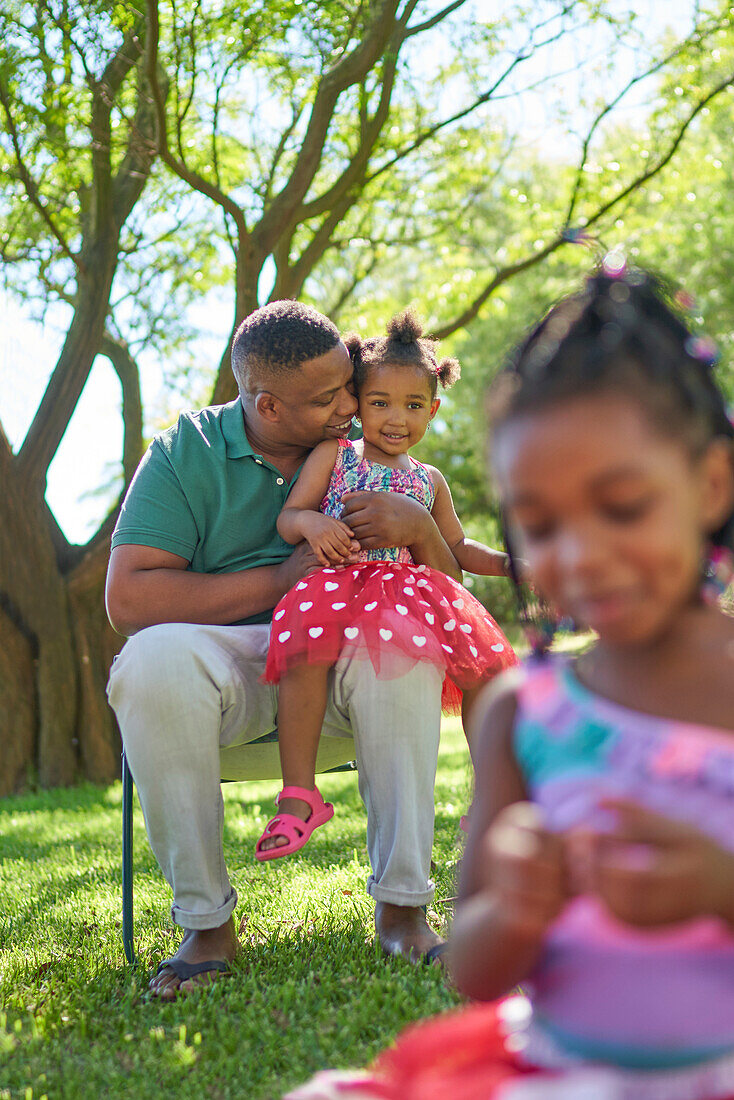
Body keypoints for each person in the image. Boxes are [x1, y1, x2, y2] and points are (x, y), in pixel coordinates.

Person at [285, 264, 734, 1100]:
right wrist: (519, 908)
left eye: (624, 506)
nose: (579, 553)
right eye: (541, 521)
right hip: (560, 1072)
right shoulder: (527, 716)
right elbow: (478, 968)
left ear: (710, 485)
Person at [105, 300, 465, 999]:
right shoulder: (188, 452)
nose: (351, 405)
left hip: (348, 672)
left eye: (350, 386)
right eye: (331, 397)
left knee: (404, 644)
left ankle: (403, 908)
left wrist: (421, 532)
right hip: (232, 670)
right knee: (150, 661)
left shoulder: (379, 454)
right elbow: (129, 602)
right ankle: (206, 924)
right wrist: (277, 578)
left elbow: (446, 585)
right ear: (268, 406)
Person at [255, 310, 517, 861]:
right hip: (335, 586)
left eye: (413, 405)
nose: (396, 418)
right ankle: (299, 794)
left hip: (407, 597)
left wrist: (512, 563)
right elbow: (290, 516)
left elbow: (459, 552)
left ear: (433, 409)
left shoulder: (429, 480)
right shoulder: (335, 455)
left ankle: (492, 793)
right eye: (380, 403)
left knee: (485, 671)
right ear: (356, 401)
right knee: (303, 658)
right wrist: (312, 524)